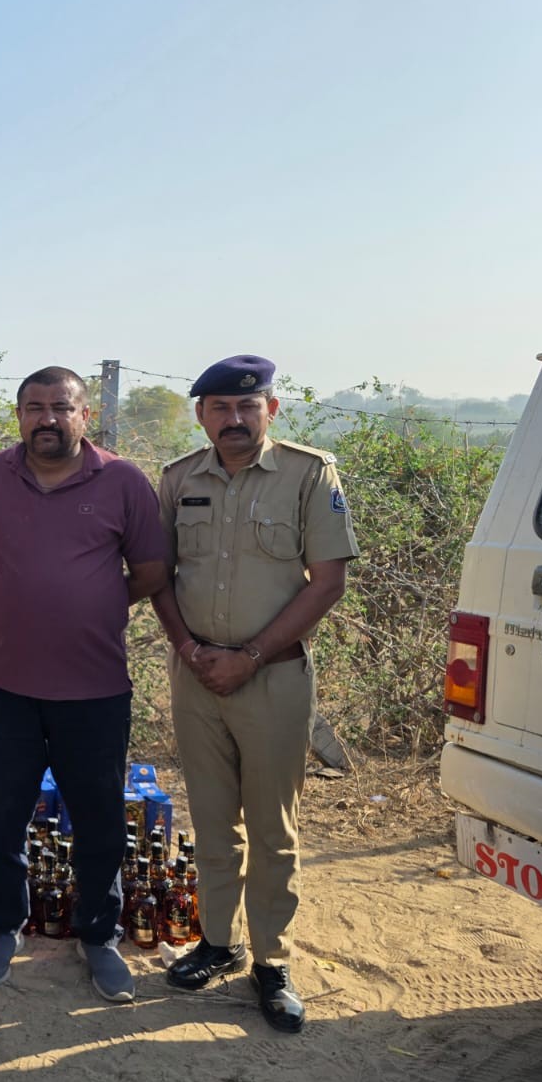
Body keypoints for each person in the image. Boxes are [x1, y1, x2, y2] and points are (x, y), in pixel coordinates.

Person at [150, 355, 358, 1033]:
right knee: (211, 821)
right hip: (198, 676)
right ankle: (218, 942)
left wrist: (250, 657)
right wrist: (189, 650)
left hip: (272, 678)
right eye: (218, 407)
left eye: (247, 406)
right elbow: (159, 575)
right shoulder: (179, 479)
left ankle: (273, 961)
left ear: (272, 408)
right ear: (202, 414)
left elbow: (327, 581)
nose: (233, 420)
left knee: (273, 829)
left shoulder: (308, 473)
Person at [0, 366, 167, 1002]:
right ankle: (2, 926)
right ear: (18, 415)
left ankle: (99, 936)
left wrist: (94, 604)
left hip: (95, 687)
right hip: (5, 683)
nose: (47, 418)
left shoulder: (123, 480)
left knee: (99, 817)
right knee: (2, 812)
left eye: (60, 407)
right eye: (34, 407)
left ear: (85, 416)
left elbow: (151, 571)